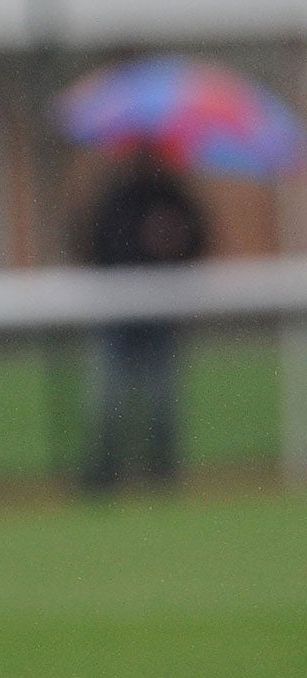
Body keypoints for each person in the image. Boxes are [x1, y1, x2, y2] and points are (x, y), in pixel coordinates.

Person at [80, 143, 208, 492]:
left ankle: (162, 473)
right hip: (118, 312)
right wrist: (139, 244)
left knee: (162, 397)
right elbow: (94, 245)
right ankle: (106, 472)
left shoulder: (175, 198)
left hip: (160, 313)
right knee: (109, 397)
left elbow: (200, 241)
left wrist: (173, 242)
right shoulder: (113, 198)